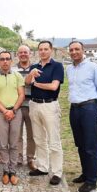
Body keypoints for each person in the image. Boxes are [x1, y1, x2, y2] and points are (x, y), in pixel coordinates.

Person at [66, 41, 97, 192]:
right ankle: (85, 173)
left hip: (89, 107)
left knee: (90, 146)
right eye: (71, 50)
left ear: (83, 50)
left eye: (77, 49)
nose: (74, 52)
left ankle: (92, 181)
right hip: (74, 109)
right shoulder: (69, 69)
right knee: (80, 144)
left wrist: (95, 108)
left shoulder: (94, 68)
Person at [25, 40, 64, 185]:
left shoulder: (57, 66)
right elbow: (27, 82)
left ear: (51, 50)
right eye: (40, 49)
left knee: (54, 140)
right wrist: (31, 74)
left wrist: (36, 83)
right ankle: (42, 167)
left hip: (50, 106)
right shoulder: (34, 66)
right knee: (38, 138)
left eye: (45, 49)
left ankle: (57, 172)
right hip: (34, 104)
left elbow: (54, 87)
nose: (43, 51)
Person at [0, 51, 25, 185]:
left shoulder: (17, 75)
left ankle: (13, 170)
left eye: (7, 59)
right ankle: (5, 170)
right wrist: (5, 111)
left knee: (14, 143)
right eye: (2, 59)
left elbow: (21, 95)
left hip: (15, 112)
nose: (5, 61)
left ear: (11, 61)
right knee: (3, 143)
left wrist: (13, 110)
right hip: (0, 112)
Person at [11, 45, 36, 170]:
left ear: (30, 53)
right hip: (18, 105)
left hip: (32, 105)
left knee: (32, 135)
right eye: (20, 52)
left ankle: (31, 158)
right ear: (17, 54)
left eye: (25, 52)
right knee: (17, 134)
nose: (23, 54)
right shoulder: (13, 69)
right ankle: (19, 157)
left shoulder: (36, 68)